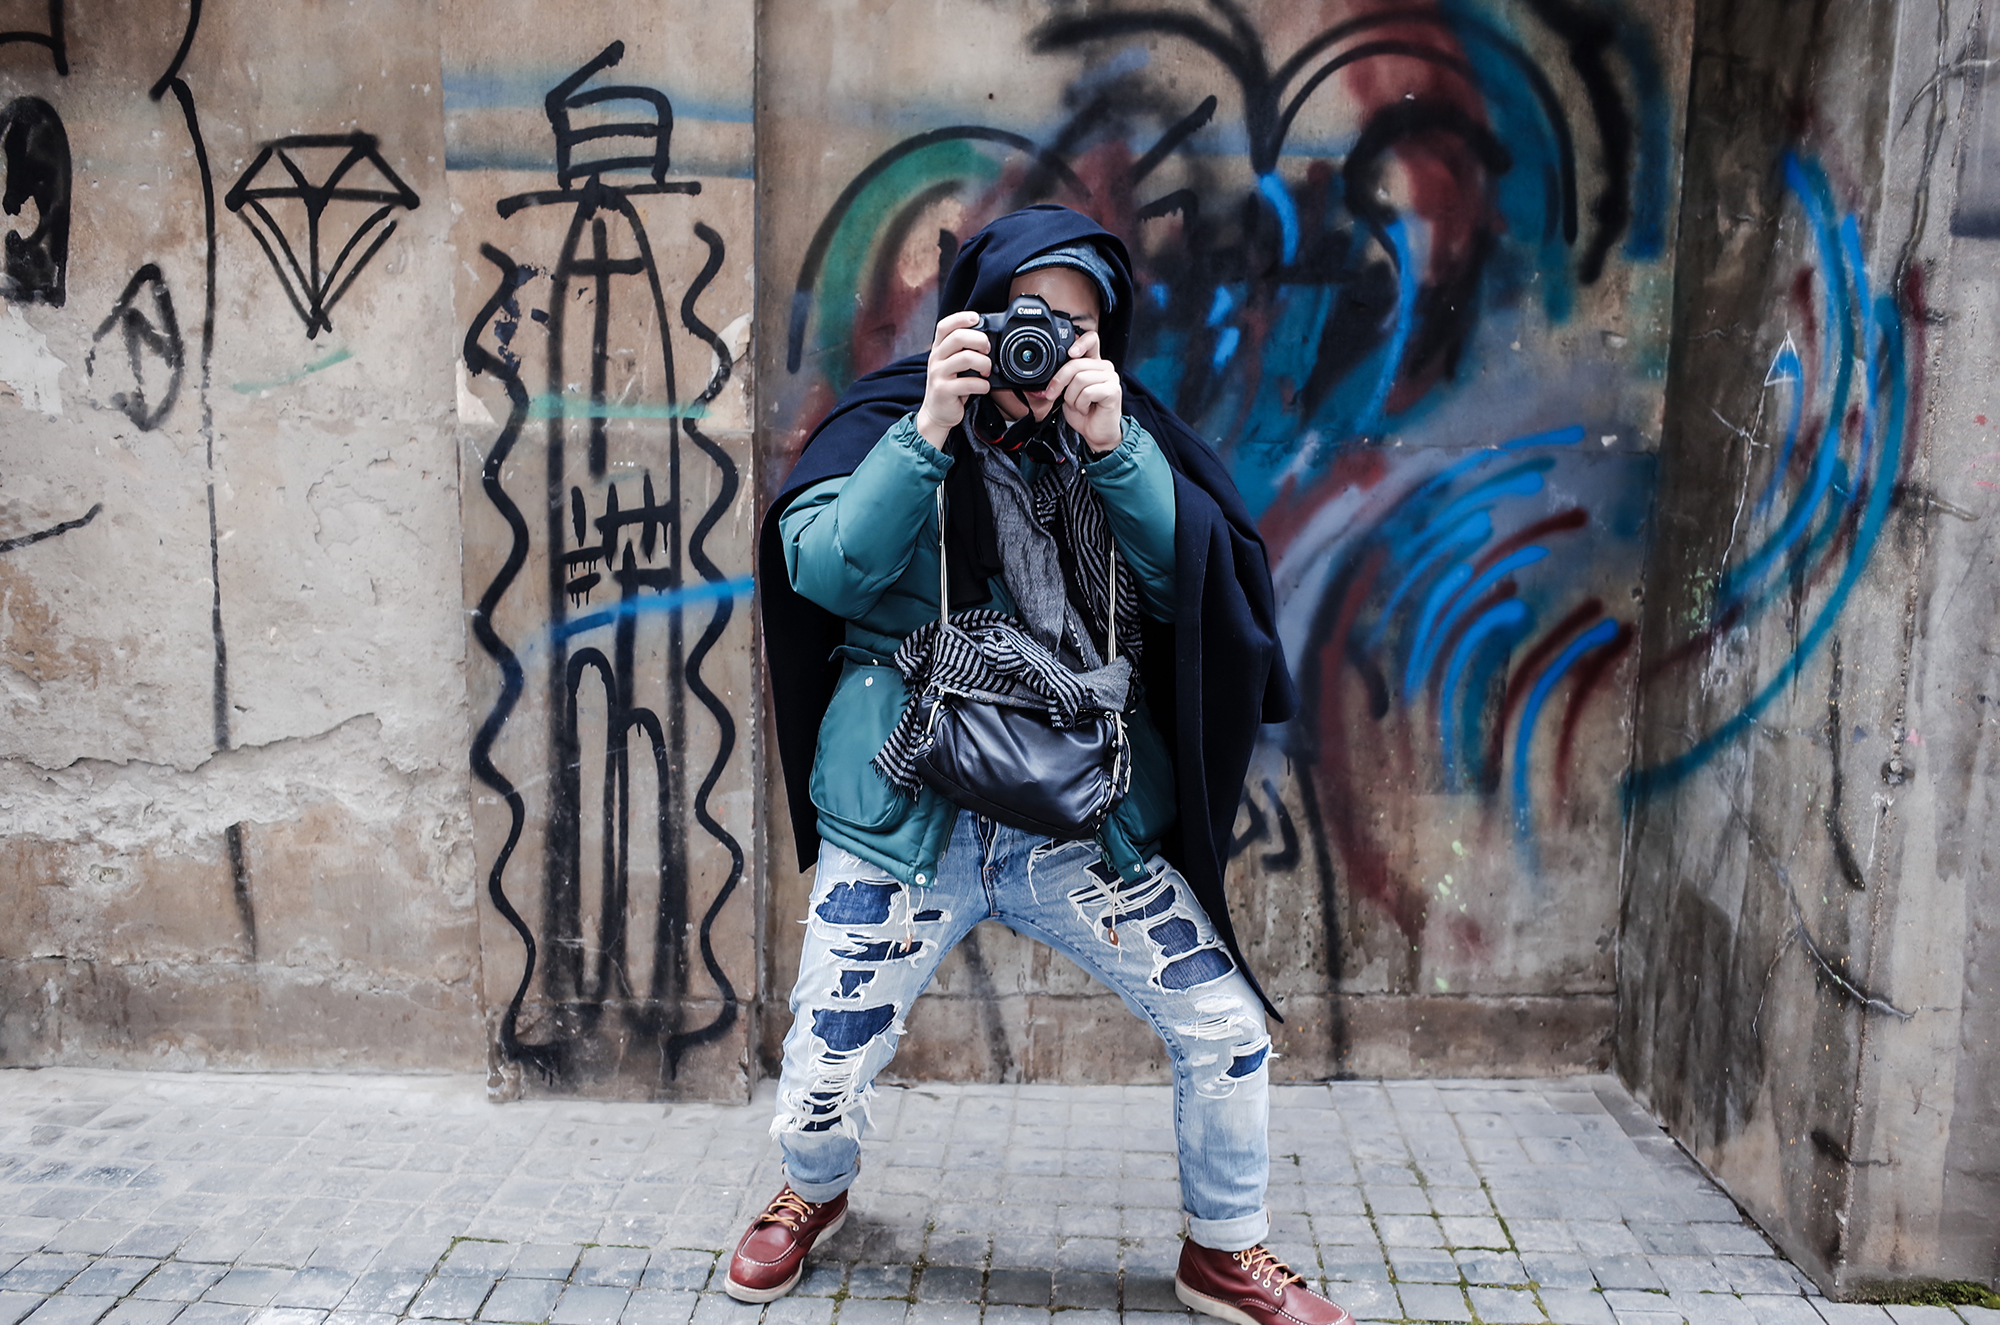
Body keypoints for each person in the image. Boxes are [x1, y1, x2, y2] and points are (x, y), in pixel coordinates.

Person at [745, 205, 1346, 1325]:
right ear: (973, 316)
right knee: (820, 1078)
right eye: (1025, 315)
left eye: (1074, 325)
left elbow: (1189, 593)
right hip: (910, 807)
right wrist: (929, 427)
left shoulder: (1121, 435)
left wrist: (1117, 454)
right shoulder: (890, 418)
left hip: (1075, 819)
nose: (1045, 344)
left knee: (1225, 1029)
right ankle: (810, 1190)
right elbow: (825, 567)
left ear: (1102, 339)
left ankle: (1223, 1250)